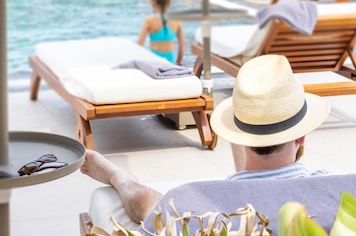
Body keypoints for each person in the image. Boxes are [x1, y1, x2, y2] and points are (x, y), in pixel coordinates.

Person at [80, 54, 331, 225]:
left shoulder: (205, 203)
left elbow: (143, 205)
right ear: (301, 136)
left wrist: (117, 176)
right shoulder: (334, 190)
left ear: (239, 138)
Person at [137, 0, 184, 65]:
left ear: (152, 2)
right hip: (170, 61)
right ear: (169, 3)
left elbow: (140, 45)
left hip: (154, 62)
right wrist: (178, 61)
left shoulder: (148, 21)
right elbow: (182, 44)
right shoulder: (176, 21)